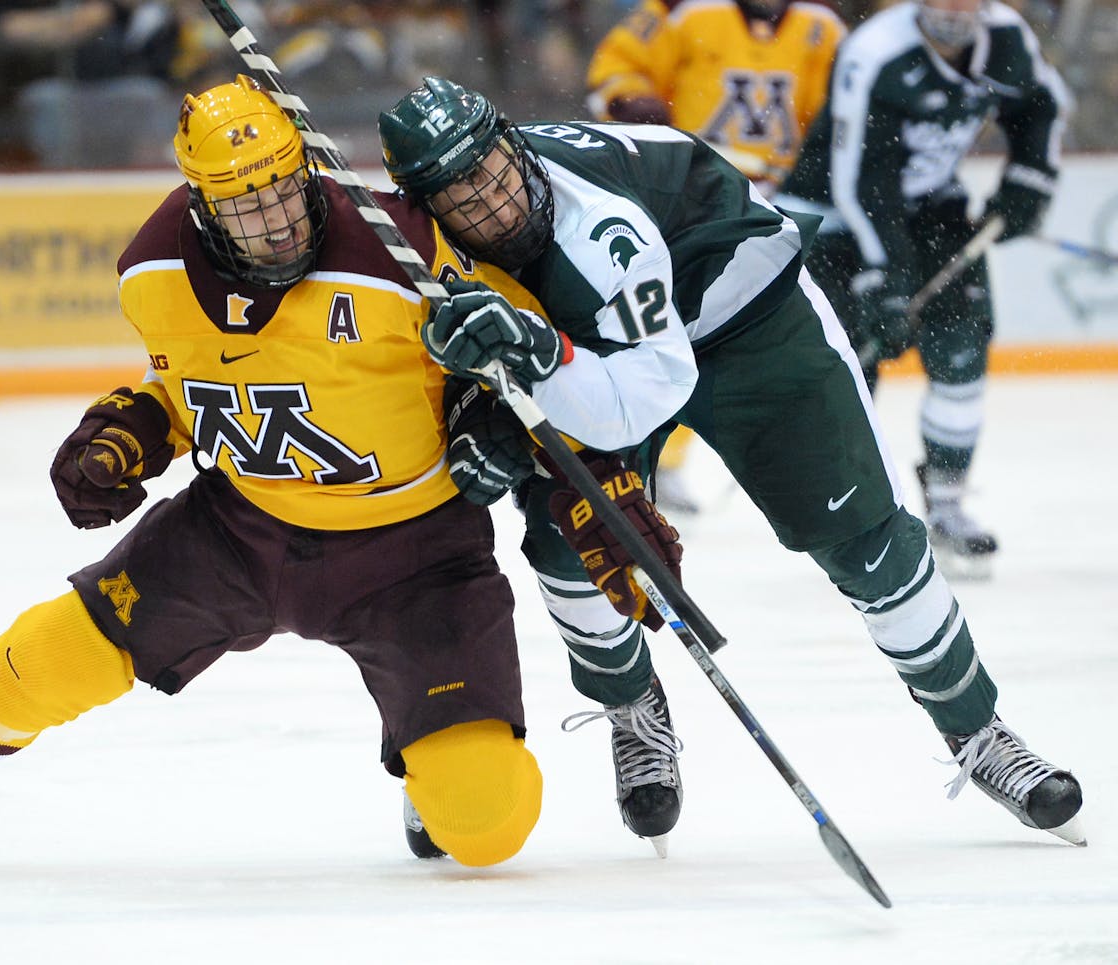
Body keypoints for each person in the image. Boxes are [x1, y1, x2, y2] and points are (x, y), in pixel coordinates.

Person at [0, 75, 546, 873]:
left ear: (307, 167)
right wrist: (133, 428)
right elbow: (191, 382)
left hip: (413, 551)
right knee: (44, 659)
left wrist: (489, 407)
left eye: (280, 190)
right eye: (241, 202)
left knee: (485, 826)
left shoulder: (400, 249)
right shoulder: (156, 269)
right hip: (243, 530)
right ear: (200, 204)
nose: (271, 221)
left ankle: (431, 747)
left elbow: (527, 355)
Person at [376, 75, 1084, 850]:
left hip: (746, 320)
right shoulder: (416, 248)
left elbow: (646, 390)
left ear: (512, 143)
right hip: (598, 345)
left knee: (868, 542)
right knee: (571, 541)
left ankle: (977, 730)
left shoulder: (599, 229)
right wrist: (477, 412)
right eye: (460, 196)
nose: (494, 206)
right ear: (423, 203)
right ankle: (633, 705)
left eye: (492, 174)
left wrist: (538, 363)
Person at [773, 0, 1068, 576]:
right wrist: (885, 277)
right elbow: (861, 181)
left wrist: (1029, 182)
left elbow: (1042, 108)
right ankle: (850, 507)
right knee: (852, 365)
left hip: (932, 206)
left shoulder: (1007, 40)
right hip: (835, 212)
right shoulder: (876, 54)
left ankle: (949, 499)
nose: (953, 8)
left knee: (962, 347)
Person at [585, 0, 848, 514]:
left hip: (781, 203)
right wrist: (631, 100)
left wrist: (816, 177)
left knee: (766, 332)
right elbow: (613, 69)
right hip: (693, 194)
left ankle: (741, 457)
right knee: (673, 326)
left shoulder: (824, 29)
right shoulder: (687, 13)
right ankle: (645, 453)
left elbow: (843, 114)